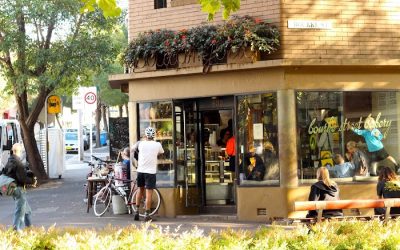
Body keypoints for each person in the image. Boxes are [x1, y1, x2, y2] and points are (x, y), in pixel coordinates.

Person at [131, 127, 164, 222]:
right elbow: (162, 152)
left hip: (140, 171)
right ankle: (146, 215)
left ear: (145, 135)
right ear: (154, 135)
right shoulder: (157, 144)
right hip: (150, 172)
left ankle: (136, 212)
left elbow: (132, 149)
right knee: (149, 193)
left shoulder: (140, 143)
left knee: (139, 190)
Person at [2, 143, 36, 231]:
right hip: (18, 189)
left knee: (27, 210)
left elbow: (7, 173)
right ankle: (16, 230)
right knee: (20, 210)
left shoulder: (10, 161)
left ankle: (30, 229)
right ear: (20, 151)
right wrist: (32, 181)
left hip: (13, 188)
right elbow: (22, 178)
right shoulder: (18, 162)